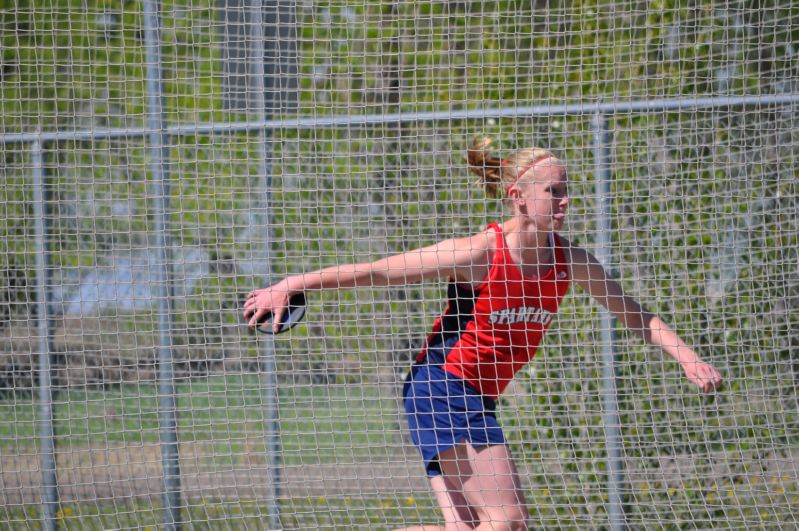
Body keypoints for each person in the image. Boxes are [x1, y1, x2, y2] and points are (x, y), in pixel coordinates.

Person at [243, 136, 723, 531]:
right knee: (508, 522)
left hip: (468, 395)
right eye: (552, 191)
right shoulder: (480, 254)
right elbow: (378, 272)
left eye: (565, 189)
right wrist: (290, 283)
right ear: (519, 197)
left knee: (474, 530)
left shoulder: (571, 262)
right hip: (445, 386)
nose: (564, 200)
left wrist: (687, 358)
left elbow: (635, 314)